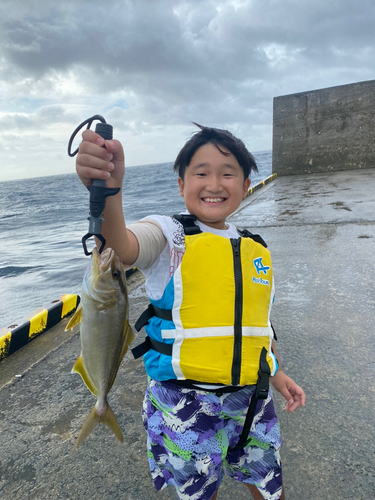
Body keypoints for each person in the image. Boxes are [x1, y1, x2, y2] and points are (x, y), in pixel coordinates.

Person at [76, 124, 306, 500]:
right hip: (184, 402)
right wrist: (108, 191)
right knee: (200, 493)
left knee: (270, 488)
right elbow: (123, 245)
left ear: (245, 186)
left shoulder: (257, 249)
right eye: (201, 173)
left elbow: (258, 325)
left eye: (227, 173)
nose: (214, 183)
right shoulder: (169, 235)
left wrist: (278, 375)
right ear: (182, 185)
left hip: (252, 398)